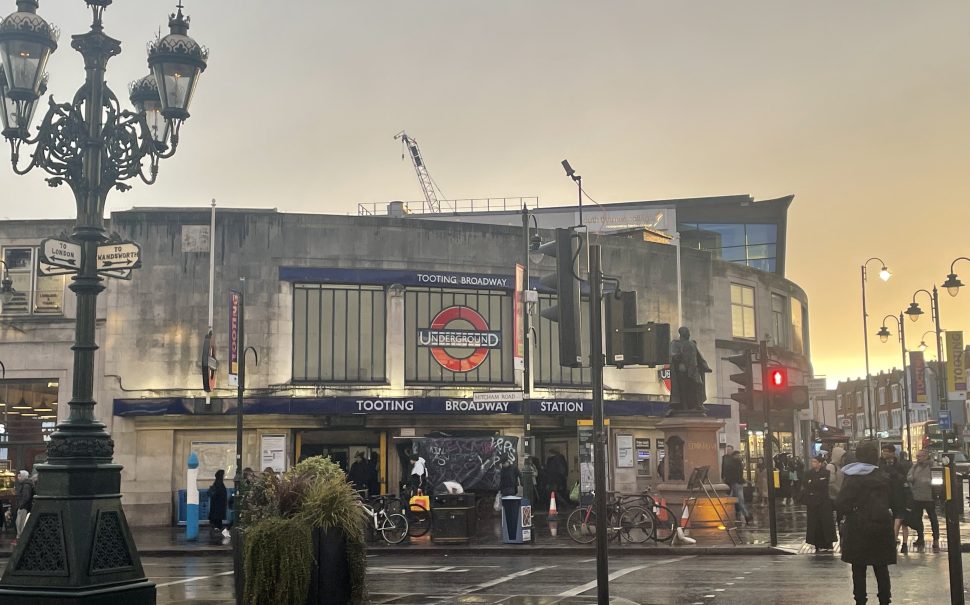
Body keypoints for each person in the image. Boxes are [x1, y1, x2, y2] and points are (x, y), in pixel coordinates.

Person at [835, 440, 895, 605]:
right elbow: (895, 500)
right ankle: (885, 600)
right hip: (881, 524)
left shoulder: (852, 478)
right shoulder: (884, 476)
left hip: (857, 526)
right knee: (881, 567)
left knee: (858, 568)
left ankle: (860, 600)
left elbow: (841, 503)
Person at [668, 327, 712, 414]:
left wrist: (705, 366)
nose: (688, 334)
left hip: (693, 369)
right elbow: (672, 354)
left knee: (699, 384)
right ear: (682, 333)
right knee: (683, 389)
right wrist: (677, 357)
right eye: (687, 332)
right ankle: (684, 407)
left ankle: (698, 404)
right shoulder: (676, 343)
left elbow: (698, 356)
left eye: (688, 332)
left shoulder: (692, 344)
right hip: (683, 369)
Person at [878, 444, 912, 554]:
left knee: (901, 522)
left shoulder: (900, 464)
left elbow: (904, 478)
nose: (884, 453)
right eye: (883, 451)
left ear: (893, 453)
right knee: (890, 522)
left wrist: (894, 474)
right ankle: (891, 542)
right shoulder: (880, 463)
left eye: (887, 451)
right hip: (886, 497)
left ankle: (903, 544)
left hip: (899, 496)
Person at [907, 449, 940, 553]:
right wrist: (910, 478)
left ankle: (936, 539)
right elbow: (908, 476)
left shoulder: (933, 466)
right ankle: (920, 537)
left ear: (926, 456)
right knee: (917, 518)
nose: (918, 458)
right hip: (917, 497)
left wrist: (929, 481)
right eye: (917, 456)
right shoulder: (915, 466)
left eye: (920, 456)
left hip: (929, 497)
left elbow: (938, 479)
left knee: (933, 518)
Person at [803, 456, 836, 552]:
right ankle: (816, 543)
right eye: (812, 461)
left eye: (815, 461)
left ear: (820, 463)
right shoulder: (808, 473)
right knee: (815, 523)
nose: (813, 463)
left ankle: (827, 543)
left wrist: (812, 483)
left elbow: (822, 485)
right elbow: (806, 484)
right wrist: (813, 483)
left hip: (824, 502)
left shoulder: (826, 473)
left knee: (825, 523)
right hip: (813, 503)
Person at [723, 450, 752, 524]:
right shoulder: (736, 463)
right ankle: (746, 515)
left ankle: (726, 514)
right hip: (737, 483)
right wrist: (743, 480)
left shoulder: (732, 463)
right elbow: (737, 475)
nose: (740, 456)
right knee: (740, 500)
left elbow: (730, 474)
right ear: (735, 456)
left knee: (731, 499)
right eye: (738, 455)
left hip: (734, 483)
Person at [208, 469, 230, 538]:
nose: (224, 477)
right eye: (223, 475)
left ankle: (214, 536)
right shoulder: (220, 484)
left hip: (216, 509)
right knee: (219, 524)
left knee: (216, 524)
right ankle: (227, 535)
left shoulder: (216, 483)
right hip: (218, 509)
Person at [14, 470, 33, 541]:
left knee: (20, 523)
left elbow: (26, 497)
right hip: (23, 506)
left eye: (19, 476)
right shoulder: (24, 484)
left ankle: (20, 538)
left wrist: (21, 505)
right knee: (18, 522)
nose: (18, 477)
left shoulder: (26, 486)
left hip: (24, 507)